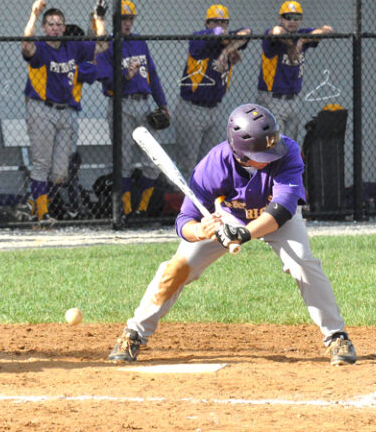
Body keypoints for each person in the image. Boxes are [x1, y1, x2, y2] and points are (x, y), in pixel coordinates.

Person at [108, 103, 357, 366]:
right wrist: (200, 230)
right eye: (264, 152)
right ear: (241, 154)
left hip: (273, 216)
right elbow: (183, 222)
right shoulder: (212, 166)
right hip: (228, 215)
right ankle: (134, 332)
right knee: (176, 268)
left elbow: (283, 209)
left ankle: (336, 336)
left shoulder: (288, 151)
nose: (273, 154)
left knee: (302, 263)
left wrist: (245, 234)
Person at [21, 0, 101, 221]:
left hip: (66, 112)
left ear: (64, 28)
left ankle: (33, 202)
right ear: (44, 28)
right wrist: (34, 14)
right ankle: (42, 214)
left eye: (59, 24)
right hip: (42, 109)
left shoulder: (71, 47)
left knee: (60, 173)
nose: (55, 28)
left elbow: (100, 45)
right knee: (41, 164)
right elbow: (26, 46)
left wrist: (97, 19)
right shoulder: (42, 49)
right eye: (51, 24)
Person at [96, 0, 168, 218]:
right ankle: (126, 210)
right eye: (122, 19)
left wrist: (162, 104)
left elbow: (152, 75)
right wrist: (125, 76)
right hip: (121, 104)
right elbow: (106, 82)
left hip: (144, 103)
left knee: (153, 160)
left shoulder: (139, 43)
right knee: (124, 160)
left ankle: (142, 209)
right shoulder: (107, 44)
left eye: (130, 19)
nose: (127, 24)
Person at [175, 4, 251, 175]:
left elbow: (247, 32)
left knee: (212, 161)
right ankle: (188, 201)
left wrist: (226, 52)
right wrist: (224, 39)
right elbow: (217, 35)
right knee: (188, 163)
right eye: (216, 22)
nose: (221, 26)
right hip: (191, 108)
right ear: (207, 23)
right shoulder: (199, 40)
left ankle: (206, 201)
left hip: (215, 110)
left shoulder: (228, 44)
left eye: (224, 22)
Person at [257, 0, 333, 143]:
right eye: (288, 17)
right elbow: (277, 32)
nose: (292, 21)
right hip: (272, 98)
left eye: (296, 18)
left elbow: (327, 29)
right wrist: (292, 45)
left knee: (290, 146)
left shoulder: (301, 35)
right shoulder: (271, 34)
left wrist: (301, 41)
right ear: (280, 19)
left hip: (293, 100)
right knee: (274, 146)